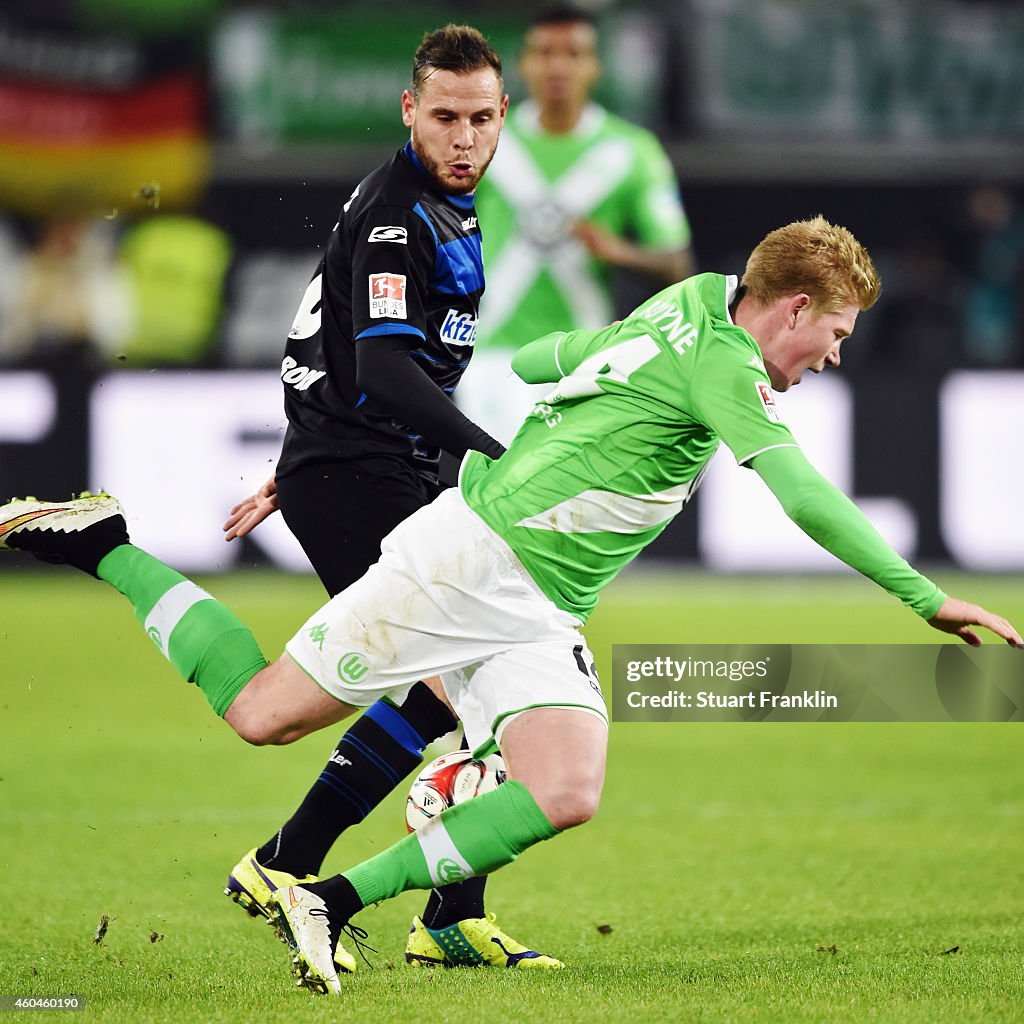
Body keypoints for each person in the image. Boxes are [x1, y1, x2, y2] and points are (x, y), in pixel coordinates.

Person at [4, 217, 1020, 996]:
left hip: (533, 598)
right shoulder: (725, 364)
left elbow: (554, 357)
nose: (835, 354)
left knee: (565, 784)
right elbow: (801, 495)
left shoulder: (697, 300)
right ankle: (104, 545)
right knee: (261, 714)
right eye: (835, 334)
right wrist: (923, 598)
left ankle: (331, 895)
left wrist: (547, 401)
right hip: (473, 564)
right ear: (791, 308)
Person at [219, 25, 561, 968]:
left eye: (481, 119)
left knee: (462, 681)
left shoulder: (447, 203)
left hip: (372, 468)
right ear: (410, 111)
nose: (464, 137)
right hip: (366, 471)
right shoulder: (394, 215)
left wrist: (306, 455)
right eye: (445, 117)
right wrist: (488, 454)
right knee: (466, 685)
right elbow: (382, 367)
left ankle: (299, 864)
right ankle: (396, 898)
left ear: (502, 120)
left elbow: (333, 348)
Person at [459, 5, 694, 444]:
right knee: (508, 498)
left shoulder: (631, 151)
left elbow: (676, 265)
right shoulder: (484, 140)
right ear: (524, 64)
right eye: (545, 52)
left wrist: (617, 250)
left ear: (595, 66)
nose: (558, 65)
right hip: (493, 355)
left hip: (586, 360)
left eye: (574, 52)